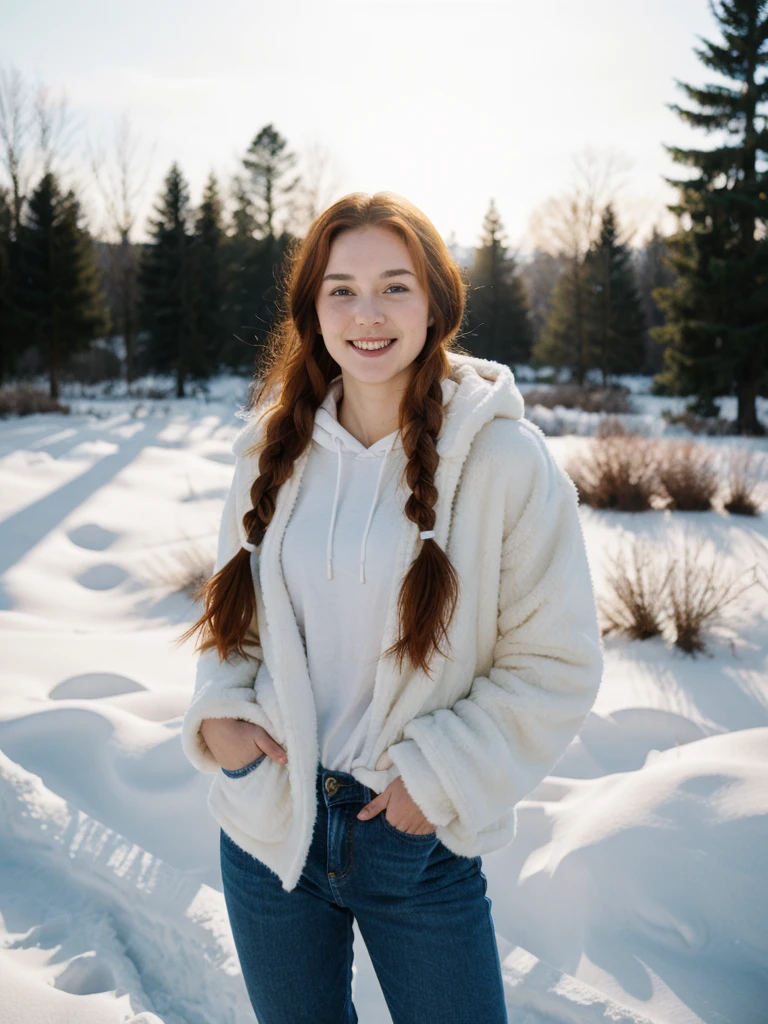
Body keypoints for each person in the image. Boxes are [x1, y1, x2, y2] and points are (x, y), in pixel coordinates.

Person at [178, 191, 603, 1024]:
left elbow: (556, 662)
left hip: (414, 835)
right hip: (272, 825)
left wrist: (436, 779)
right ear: (313, 308)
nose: (366, 314)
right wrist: (222, 719)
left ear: (437, 300)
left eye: (394, 286)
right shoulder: (273, 448)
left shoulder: (505, 459)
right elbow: (236, 621)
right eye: (341, 289)